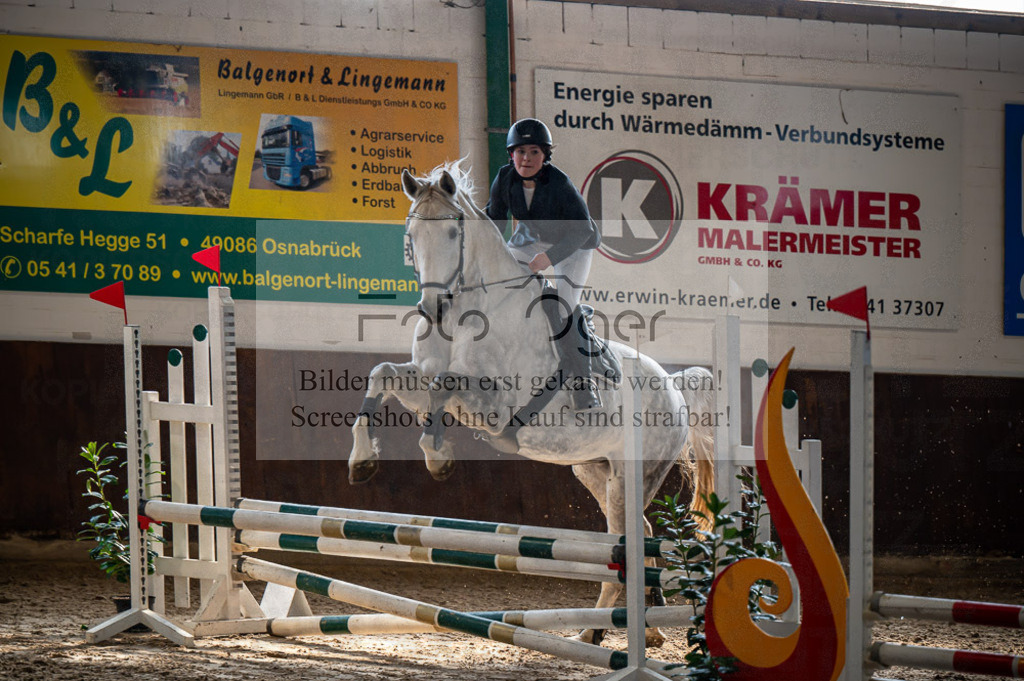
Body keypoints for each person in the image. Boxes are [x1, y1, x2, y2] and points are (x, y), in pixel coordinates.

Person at [486, 118, 603, 410]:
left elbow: (583, 230)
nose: (526, 158)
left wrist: (548, 259)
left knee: (564, 308)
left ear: (545, 155)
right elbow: (494, 221)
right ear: (511, 154)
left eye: (534, 152)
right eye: (520, 151)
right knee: (499, 280)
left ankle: (584, 382)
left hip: (574, 245)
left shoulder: (560, 183)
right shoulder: (504, 178)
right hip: (533, 238)